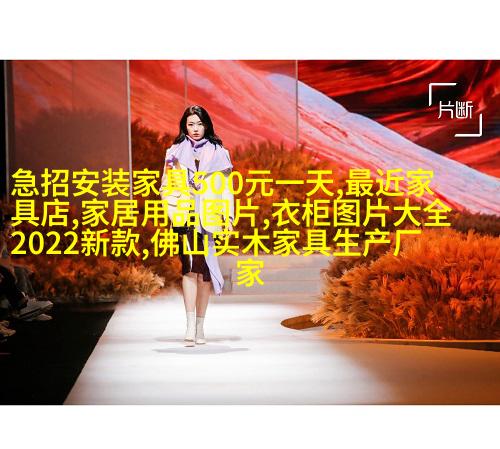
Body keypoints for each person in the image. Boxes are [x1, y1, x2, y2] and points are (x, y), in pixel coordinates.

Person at [160, 105, 234, 346]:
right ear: (184, 126)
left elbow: (226, 190)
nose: (195, 129)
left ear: (207, 126)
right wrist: (174, 207)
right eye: (191, 124)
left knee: (204, 273)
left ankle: (200, 325)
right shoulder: (174, 152)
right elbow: (166, 186)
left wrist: (228, 217)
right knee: (189, 268)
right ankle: (190, 325)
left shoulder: (219, 152)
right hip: (185, 218)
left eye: (199, 124)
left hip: (209, 219)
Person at [0, 213, 53, 321]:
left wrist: (22, 266)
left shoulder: (4, 242)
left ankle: (31, 305)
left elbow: (6, 261)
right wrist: (10, 268)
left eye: (13, 228)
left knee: (22, 270)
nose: (12, 231)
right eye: (9, 228)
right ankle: (24, 307)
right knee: (19, 272)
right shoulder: (1, 240)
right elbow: (2, 261)